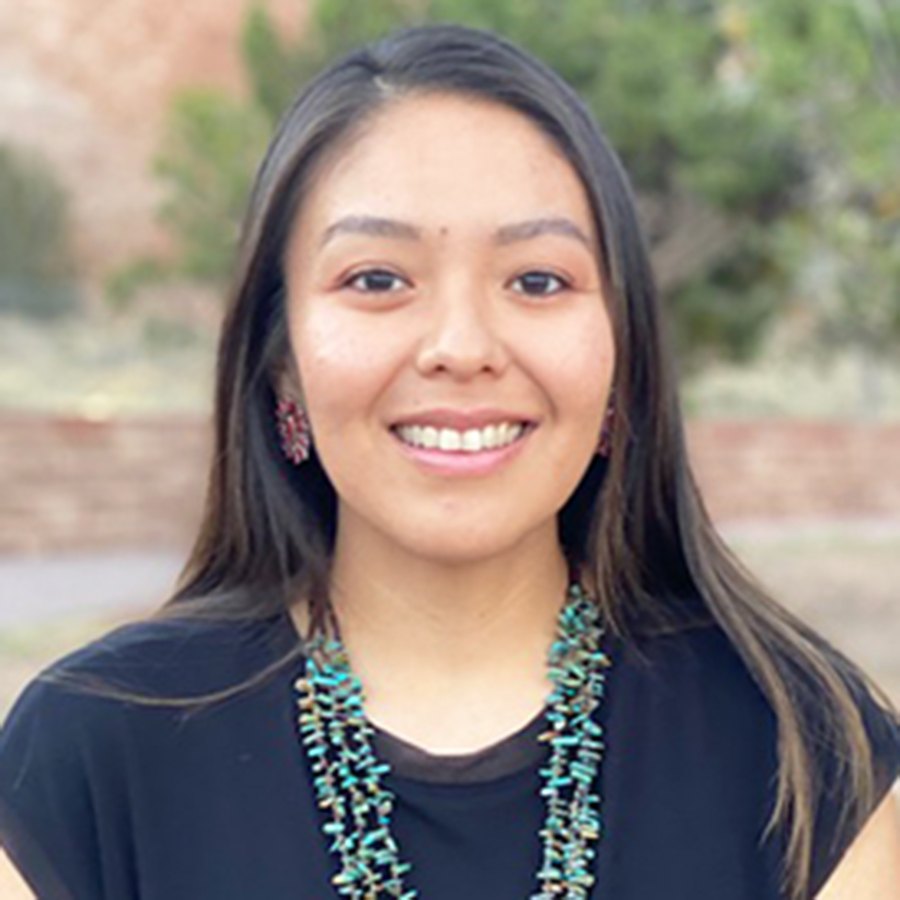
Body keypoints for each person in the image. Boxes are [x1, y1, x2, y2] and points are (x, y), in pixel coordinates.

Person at [1, 23, 898, 900]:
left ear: (621, 360)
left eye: (537, 280)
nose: (461, 346)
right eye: (377, 279)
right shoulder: (90, 754)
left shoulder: (804, 751)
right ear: (282, 366)